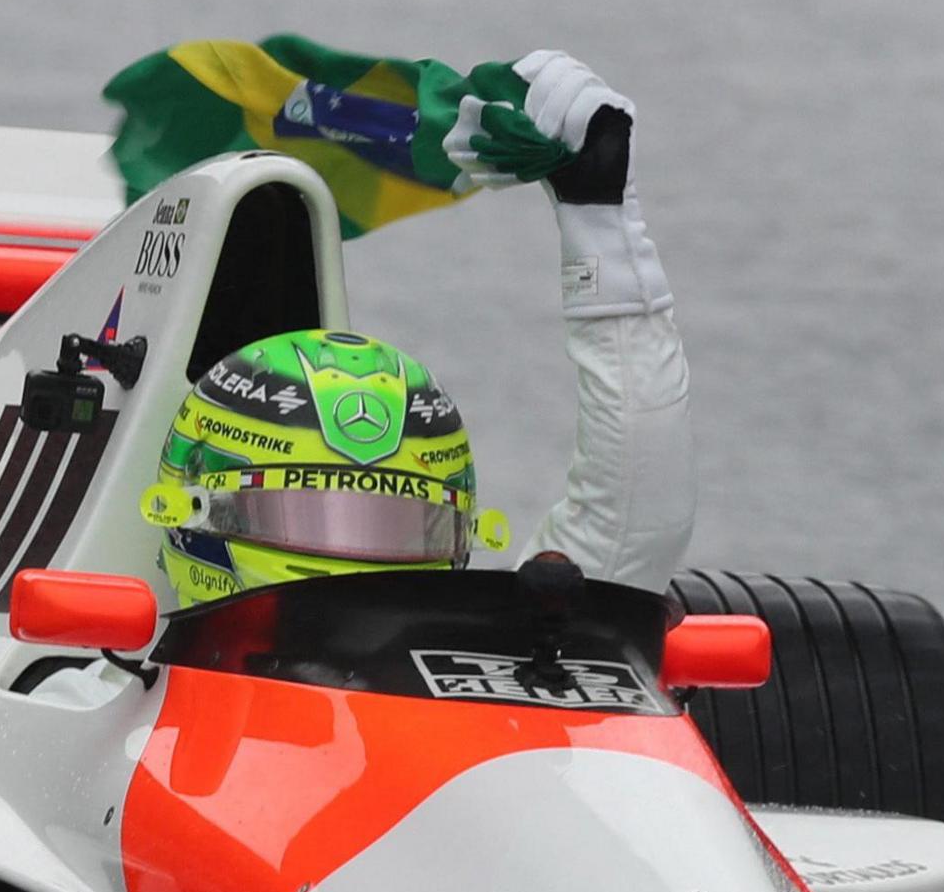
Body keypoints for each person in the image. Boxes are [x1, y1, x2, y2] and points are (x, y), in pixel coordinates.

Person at [142, 51, 693, 599]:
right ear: (193, 509)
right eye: (301, 517)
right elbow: (631, 534)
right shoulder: (79, 688)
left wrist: (598, 222)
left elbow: (634, 529)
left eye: (399, 528)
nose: (352, 562)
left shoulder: (484, 666)